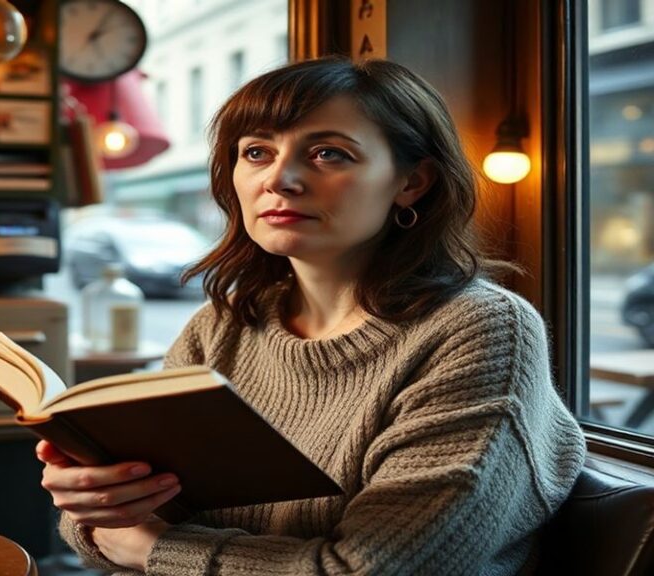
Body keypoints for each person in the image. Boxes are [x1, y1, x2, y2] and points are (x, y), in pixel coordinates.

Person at [37, 57, 586, 575]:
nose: (279, 180)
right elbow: (122, 525)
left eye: (328, 154)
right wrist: (97, 504)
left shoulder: (480, 330)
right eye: (257, 152)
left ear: (411, 182)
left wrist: (155, 549)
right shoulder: (223, 324)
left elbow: (374, 569)